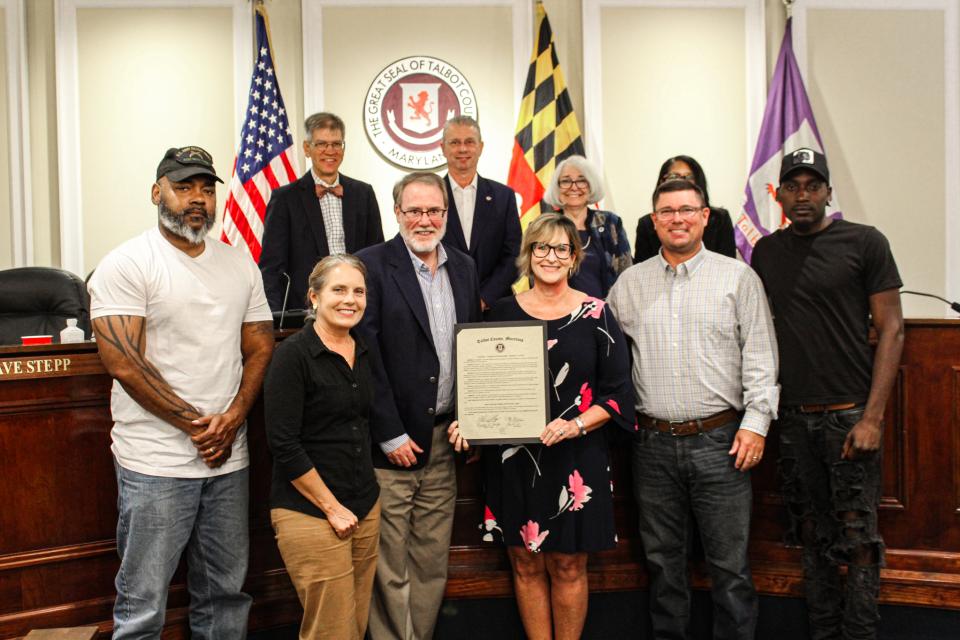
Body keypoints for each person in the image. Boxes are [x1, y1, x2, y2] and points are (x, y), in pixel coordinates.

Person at [88, 146, 275, 639]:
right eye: (184, 186)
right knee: (143, 605)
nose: (198, 199)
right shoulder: (127, 263)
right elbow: (124, 363)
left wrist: (232, 418)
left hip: (227, 460)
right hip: (156, 462)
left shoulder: (240, 264)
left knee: (225, 597)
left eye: (207, 189)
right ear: (157, 192)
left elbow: (259, 346)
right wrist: (200, 425)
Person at [607, 178, 779, 640]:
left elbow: (761, 357)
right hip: (652, 445)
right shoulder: (629, 284)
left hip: (722, 444)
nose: (677, 219)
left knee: (730, 568)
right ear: (654, 220)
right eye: (667, 211)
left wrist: (757, 425)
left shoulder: (738, 278)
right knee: (663, 568)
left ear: (705, 216)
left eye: (687, 210)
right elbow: (602, 357)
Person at [448, 212, 633, 640]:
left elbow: (619, 396)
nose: (551, 256)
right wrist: (468, 423)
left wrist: (575, 426)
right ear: (528, 256)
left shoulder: (598, 313)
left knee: (568, 564)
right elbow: (480, 385)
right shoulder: (500, 314)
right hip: (514, 457)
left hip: (575, 457)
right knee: (525, 562)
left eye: (561, 249)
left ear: (574, 259)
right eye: (541, 248)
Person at [751, 148, 904, 640]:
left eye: (812, 186)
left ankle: (859, 634)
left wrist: (873, 418)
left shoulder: (865, 242)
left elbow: (893, 330)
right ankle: (822, 630)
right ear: (778, 195)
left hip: (849, 416)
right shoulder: (766, 253)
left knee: (858, 538)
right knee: (811, 537)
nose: (802, 195)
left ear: (828, 193)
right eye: (792, 187)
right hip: (793, 420)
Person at [356, 172, 482, 640]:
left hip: (446, 441)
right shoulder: (369, 266)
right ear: (398, 213)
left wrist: (472, 418)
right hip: (392, 444)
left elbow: (471, 351)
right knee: (389, 564)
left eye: (434, 211)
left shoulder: (465, 268)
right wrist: (388, 433)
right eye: (415, 210)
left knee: (430, 560)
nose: (425, 220)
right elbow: (364, 356)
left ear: (446, 215)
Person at [264, 254, 381, 640]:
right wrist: (331, 508)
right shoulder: (292, 356)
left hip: (363, 506)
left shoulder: (361, 348)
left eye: (359, 291)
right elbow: (283, 442)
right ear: (313, 298)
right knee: (330, 632)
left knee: (355, 626)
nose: (351, 299)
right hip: (312, 513)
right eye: (339, 290)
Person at [260, 112, 383, 311]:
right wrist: (275, 319)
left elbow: (377, 257)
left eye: (336, 144)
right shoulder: (285, 199)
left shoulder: (364, 194)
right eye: (321, 144)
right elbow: (272, 268)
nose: (330, 151)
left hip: (357, 309)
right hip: (305, 311)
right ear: (307, 149)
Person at [441, 115, 522, 309]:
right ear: (442, 148)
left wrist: (485, 298)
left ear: (481, 147)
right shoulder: (428, 198)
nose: (462, 149)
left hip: (496, 306)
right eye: (454, 142)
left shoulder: (504, 197)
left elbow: (515, 254)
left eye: (469, 142)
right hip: (441, 306)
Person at [542, 155, 631, 298]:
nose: (574, 187)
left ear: (591, 185)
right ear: (557, 188)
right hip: (558, 313)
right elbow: (536, 277)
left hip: (605, 313)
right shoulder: (543, 226)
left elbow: (626, 275)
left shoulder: (611, 223)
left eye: (582, 180)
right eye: (566, 181)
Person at [633, 155, 737, 263]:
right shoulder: (646, 223)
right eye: (673, 176)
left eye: (688, 177)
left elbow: (727, 264)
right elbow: (643, 267)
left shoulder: (719, 219)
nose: (681, 182)